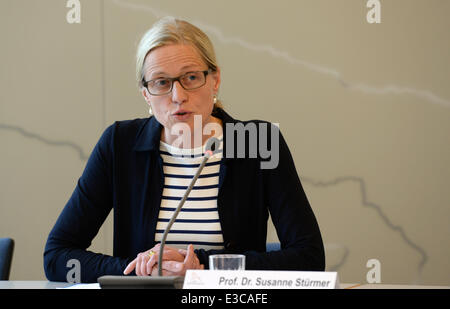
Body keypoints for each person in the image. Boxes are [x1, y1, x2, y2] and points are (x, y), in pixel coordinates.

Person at [43, 17, 325, 283]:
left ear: (215, 80)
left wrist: (203, 266)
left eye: (190, 77)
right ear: (146, 94)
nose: (178, 96)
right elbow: (58, 256)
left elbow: (309, 258)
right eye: (161, 83)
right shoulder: (121, 143)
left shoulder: (256, 141)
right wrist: (138, 270)